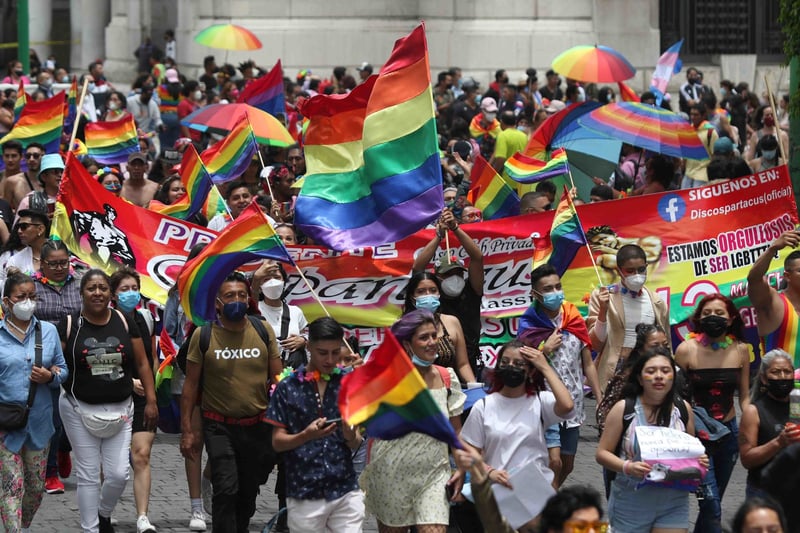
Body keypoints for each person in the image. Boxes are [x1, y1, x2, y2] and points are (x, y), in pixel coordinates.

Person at [180, 271, 282, 533]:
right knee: (226, 488)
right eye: (229, 296)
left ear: (249, 299)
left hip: (258, 426)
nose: (237, 299)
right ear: (217, 302)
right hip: (218, 426)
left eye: (241, 295)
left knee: (248, 492)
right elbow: (190, 386)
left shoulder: (262, 330)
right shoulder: (203, 335)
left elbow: (279, 377)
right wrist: (188, 431)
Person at [58, 269, 157, 533]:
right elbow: (56, 362)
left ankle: (103, 512)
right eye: (91, 288)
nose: (97, 293)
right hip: (78, 409)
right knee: (89, 474)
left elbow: (143, 362)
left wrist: (151, 399)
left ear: (110, 294)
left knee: (117, 474)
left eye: (102, 288)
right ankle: (91, 528)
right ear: (82, 293)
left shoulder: (125, 321)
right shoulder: (69, 324)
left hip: (122, 408)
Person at [360, 310, 465, 533]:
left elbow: (456, 431)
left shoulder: (447, 378)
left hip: (434, 477)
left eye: (434, 336)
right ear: (407, 344)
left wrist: (462, 466)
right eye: (423, 337)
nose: (432, 343)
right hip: (390, 476)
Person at [461, 339, 573, 531]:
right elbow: (469, 451)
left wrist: (544, 366)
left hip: (535, 492)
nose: (510, 367)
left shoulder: (540, 401)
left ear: (530, 371)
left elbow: (567, 406)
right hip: (500, 495)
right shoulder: (484, 406)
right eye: (505, 363)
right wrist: (489, 471)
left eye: (519, 364)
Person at [266, 317, 365, 532]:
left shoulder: (347, 385)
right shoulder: (288, 387)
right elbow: (277, 442)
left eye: (335, 352)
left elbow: (356, 441)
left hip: (345, 489)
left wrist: (349, 431)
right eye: (322, 353)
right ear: (308, 346)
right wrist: (306, 435)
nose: (330, 360)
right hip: (305, 492)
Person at [596, 347, 702, 533]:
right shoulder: (624, 409)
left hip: (674, 501)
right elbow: (602, 453)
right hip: (631, 501)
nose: (659, 376)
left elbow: (690, 451)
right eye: (651, 371)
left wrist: (700, 461)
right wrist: (627, 467)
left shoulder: (683, 410)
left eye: (665, 371)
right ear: (640, 378)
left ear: (673, 377)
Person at [517, 264, 602, 488]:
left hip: (574, 403)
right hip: (543, 403)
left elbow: (588, 364)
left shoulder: (574, 317)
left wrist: (600, 396)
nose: (555, 292)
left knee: (567, 464)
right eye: (547, 289)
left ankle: (544, 502)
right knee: (550, 462)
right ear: (535, 294)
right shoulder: (529, 323)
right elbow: (521, 364)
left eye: (558, 286)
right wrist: (545, 350)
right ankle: (541, 509)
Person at [674, 293, 749, 533]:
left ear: (730, 319)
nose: (713, 318)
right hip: (697, 436)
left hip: (729, 434)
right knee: (711, 505)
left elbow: (745, 396)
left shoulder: (740, 350)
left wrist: (751, 424)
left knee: (712, 506)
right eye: (707, 314)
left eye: (719, 314)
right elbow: (676, 398)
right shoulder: (686, 350)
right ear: (698, 318)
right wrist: (686, 435)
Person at [0, 273, 67, 532]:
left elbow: (63, 369)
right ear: (7, 301)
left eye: (32, 297)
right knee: (11, 486)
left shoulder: (48, 331)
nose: (27, 302)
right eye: (21, 297)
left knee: (35, 489)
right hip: (6, 425)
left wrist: (50, 376)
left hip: (39, 423)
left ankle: (22, 525)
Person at [162, 243, 209, 531]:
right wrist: (185, 356)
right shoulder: (176, 295)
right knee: (193, 440)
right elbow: (167, 332)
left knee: (220, 444)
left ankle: (211, 482)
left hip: (220, 379)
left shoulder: (224, 293)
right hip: (186, 377)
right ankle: (196, 507)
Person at [109, 268, 158, 533]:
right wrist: (128, 382)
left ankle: (142, 516)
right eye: (124, 289)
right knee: (112, 461)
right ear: (113, 295)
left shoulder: (145, 318)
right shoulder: (107, 320)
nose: (131, 293)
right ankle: (107, 508)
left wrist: (152, 393)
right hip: (113, 395)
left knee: (141, 455)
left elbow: (149, 357)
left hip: (143, 398)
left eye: (134, 287)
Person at [33, 239, 82, 495]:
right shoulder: (32, 287)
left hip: (79, 357)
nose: (61, 268)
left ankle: (64, 448)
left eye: (64, 262)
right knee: (52, 417)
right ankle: (50, 472)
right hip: (47, 359)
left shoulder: (80, 282)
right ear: (43, 265)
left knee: (76, 414)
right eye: (54, 264)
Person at [586, 244, 671, 392]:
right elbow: (595, 345)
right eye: (630, 271)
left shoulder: (657, 301)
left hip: (648, 371)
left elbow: (666, 344)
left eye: (641, 269)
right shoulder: (604, 297)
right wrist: (603, 312)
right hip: (615, 374)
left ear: (646, 266)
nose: (637, 275)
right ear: (619, 271)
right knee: (615, 415)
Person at [412, 208, 484, 378]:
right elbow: (418, 269)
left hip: (468, 365)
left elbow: (477, 258)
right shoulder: (433, 297)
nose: (454, 278)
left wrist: (455, 228)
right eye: (447, 274)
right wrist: (438, 236)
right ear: (437, 277)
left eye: (458, 273)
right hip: (440, 365)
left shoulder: (472, 291)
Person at [738, 349, 800, 499]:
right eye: (776, 372)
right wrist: (779, 442)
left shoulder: (797, 404)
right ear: (764, 378)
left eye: (787, 371)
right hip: (764, 491)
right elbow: (747, 459)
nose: (783, 377)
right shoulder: (753, 412)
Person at [402, 271, 476, 383]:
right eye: (421, 292)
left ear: (439, 294)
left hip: (449, 390)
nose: (428, 295)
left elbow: (463, 364)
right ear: (413, 297)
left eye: (433, 290)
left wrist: (474, 387)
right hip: (416, 391)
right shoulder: (403, 326)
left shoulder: (452, 322)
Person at [748, 230, 800, 366]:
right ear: (787, 276)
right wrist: (773, 249)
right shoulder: (773, 302)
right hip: (779, 385)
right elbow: (754, 279)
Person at [251, 259, 308, 368]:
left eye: (277, 278)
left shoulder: (296, 311)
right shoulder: (255, 308)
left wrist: (303, 340)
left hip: (291, 371)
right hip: (263, 369)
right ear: (259, 285)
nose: (272, 282)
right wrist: (256, 279)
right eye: (266, 279)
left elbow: (306, 336)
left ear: (284, 282)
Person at [16, 152, 64, 220]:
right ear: (44, 177)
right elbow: (17, 228)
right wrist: (42, 220)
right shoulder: (29, 201)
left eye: (62, 172)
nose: (60, 175)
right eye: (55, 172)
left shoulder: (71, 200)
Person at [5, 142, 45, 211]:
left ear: (44, 157)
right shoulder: (12, 181)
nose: (31, 159)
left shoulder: (49, 181)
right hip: (21, 221)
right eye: (28, 156)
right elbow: (4, 209)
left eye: (36, 156)